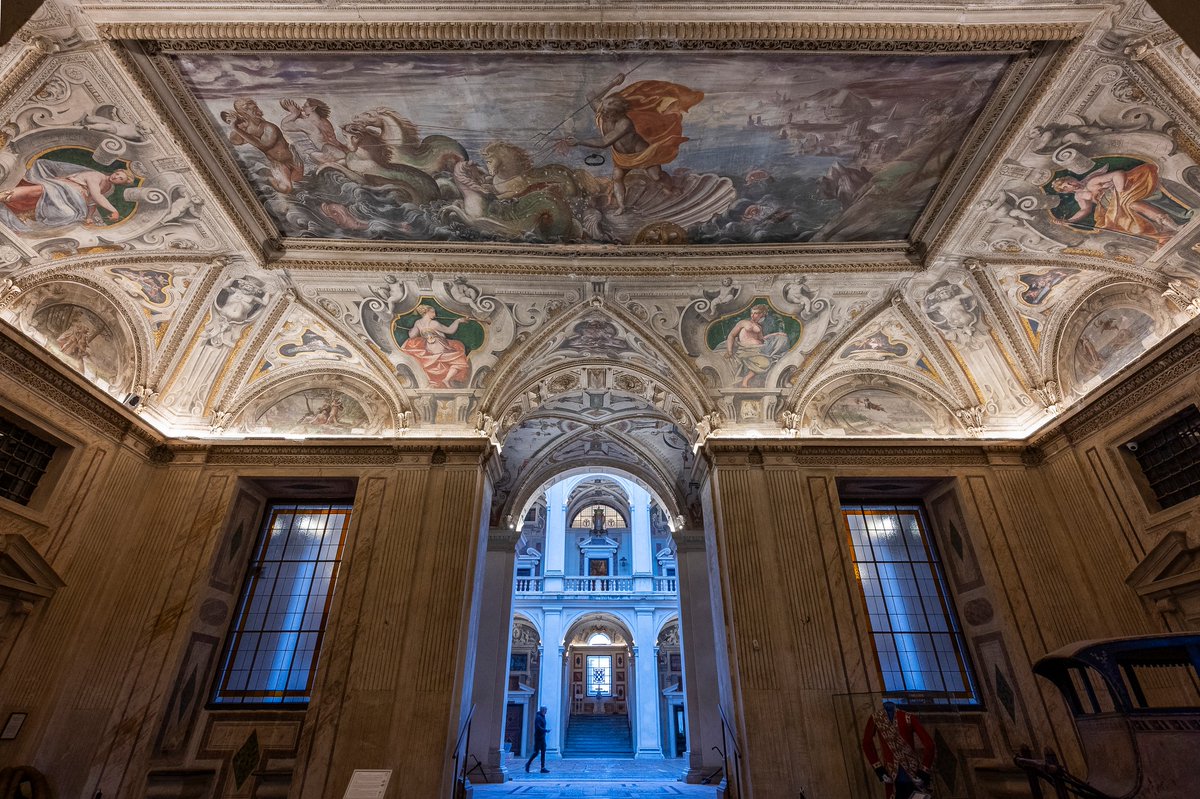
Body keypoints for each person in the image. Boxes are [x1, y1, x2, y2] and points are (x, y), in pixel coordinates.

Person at [557, 73, 703, 215]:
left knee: (656, 176)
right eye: (602, 109)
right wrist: (613, 83)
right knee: (617, 177)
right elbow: (590, 96)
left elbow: (604, 142)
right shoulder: (603, 113)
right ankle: (621, 206)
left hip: (641, 154)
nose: (601, 112)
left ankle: (670, 188)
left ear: (617, 113)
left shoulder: (624, 123)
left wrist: (579, 142)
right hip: (621, 156)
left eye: (606, 112)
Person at [1051, 162, 1190, 246]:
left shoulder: (1091, 181)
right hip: (1112, 207)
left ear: (1072, 178)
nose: (1070, 185)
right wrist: (1069, 221)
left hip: (1124, 192)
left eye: (1069, 182)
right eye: (1065, 187)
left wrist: (1120, 192)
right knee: (1129, 221)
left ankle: (1176, 226)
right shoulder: (1079, 196)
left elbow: (1117, 174)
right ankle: (1167, 230)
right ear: (1065, 192)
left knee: (1131, 204)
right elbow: (1085, 210)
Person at [0, 161, 135, 231]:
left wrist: (89, 217)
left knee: (68, 215)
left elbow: (92, 201)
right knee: (40, 191)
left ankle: (29, 214)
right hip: (65, 187)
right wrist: (114, 210)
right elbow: (96, 194)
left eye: (120, 179)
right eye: (118, 174)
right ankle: (3, 196)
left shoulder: (109, 188)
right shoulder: (96, 175)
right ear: (116, 171)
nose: (116, 177)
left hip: (75, 201)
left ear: (121, 183)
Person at [221, 98, 305, 193]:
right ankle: (268, 179)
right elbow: (235, 141)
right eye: (252, 108)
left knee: (298, 181)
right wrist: (234, 126)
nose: (256, 109)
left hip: (292, 159)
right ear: (244, 112)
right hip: (279, 164)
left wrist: (237, 129)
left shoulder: (268, 127)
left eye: (255, 106)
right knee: (286, 189)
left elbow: (264, 145)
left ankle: (273, 174)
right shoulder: (247, 130)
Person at [862, 700, 935, 799]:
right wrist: (924, 771)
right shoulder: (906, 717)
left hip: (895, 774)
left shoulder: (876, 718)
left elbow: (867, 744)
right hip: (905, 774)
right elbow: (929, 745)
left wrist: (879, 769)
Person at [401, 304, 473, 388]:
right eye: (432, 312)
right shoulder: (434, 323)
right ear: (427, 312)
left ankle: (445, 379)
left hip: (428, 346)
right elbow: (450, 330)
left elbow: (412, 336)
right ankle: (446, 379)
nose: (434, 315)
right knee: (459, 359)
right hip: (439, 345)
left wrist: (411, 331)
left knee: (442, 359)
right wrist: (458, 321)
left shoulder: (418, 323)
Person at [723, 304, 791, 388]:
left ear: (762, 314)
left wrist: (777, 333)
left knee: (768, 359)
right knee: (764, 362)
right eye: (752, 313)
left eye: (755, 313)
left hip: (758, 349)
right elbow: (731, 335)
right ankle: (745, 380)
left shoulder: (759, 327)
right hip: (745, 349)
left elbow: (762, 339)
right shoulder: (743, 322)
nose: (752, 315)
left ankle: (746, 379)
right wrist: (729, 350)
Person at [524, 706, 550, 773]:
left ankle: (542, 768)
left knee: (543, 752)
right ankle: (528, 764)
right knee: (536, 752)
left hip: (542, 737)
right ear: (542, 710)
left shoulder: (543, 717)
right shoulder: (538, 717)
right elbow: (538, 727)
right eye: (545, 710)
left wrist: (544, 731)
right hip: (538, 737)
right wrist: (545, 730)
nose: (546, 711)